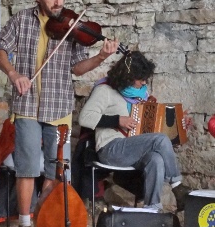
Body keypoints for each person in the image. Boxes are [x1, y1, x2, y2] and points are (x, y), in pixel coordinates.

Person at [0, 0, 120, 227]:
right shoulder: (22, 20)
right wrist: (14, 75)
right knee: (25, 168)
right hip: (26, 106)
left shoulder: (71, 27)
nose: (59, 2)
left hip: (59, 107)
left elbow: (77, 67)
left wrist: (100, 56)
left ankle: (45, 225)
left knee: (55, 170)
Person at [78, 51, 192, 212]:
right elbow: (84, 118)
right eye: (141, 79)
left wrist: (179, 125)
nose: (144, 83)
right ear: (128, 77)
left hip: (132, 148)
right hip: (111, 148)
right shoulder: (105, 91)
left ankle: (152, 209)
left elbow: (150, 132)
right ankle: (177, 186)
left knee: (156, 159)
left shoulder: (142, 96)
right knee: (159, 140)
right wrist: (117, 120)